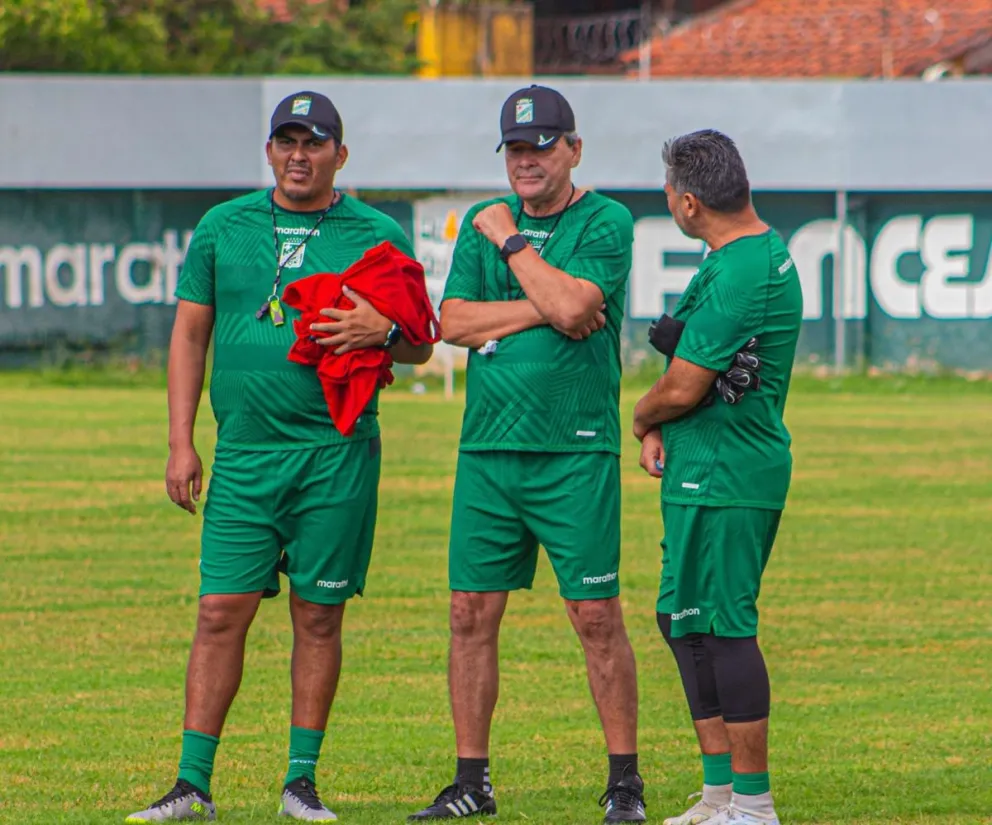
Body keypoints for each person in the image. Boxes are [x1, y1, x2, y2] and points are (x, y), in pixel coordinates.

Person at [126, 91, 434, 823]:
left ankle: (301, 782)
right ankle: (192, 783)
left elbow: (422, 340)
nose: (299, 154)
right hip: (245, 456)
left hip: (336, 454)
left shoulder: (375, 231)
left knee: (318, 614)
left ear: (340, 154)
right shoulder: (222, 226)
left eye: (315, 142)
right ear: (269, 150)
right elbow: (189, 335)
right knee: (218, 609)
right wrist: (180, 440)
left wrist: (382, 332)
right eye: (286, 141)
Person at [408, 85, 646, 824]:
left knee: (595, 615)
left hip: (573, 451)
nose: (527, 161)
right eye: (515, 149)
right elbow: (450, 323)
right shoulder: (481, 225)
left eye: (542, 146)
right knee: (469, 611)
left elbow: (581, 309)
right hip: (487, 449)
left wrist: (512, 243)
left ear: (573, 148)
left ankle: (624, 784)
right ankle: (472, 780)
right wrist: (544, 302)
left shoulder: (600, 220)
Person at [631, 129, 803, 825]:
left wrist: (643, 418)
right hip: (702, 465)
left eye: (671, 193)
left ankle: (754, 805)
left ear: (690, 202)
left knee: (726, 626)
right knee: (681, 618)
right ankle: (719, 794)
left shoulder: (739, 271)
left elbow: (681, 385)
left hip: (731, 472)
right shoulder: (735, 254)